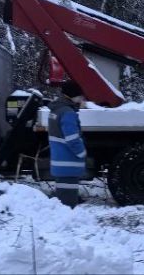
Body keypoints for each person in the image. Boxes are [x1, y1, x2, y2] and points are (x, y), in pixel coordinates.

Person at [48, 80, 88, 208]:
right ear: (73, 95)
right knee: (67, 204)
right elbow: (72, 138)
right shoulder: (68, 113)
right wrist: (82, 153)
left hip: (59, 161)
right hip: (69, 162)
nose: (81, 98)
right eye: (80, 95)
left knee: (62, 199)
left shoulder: (56, 110)